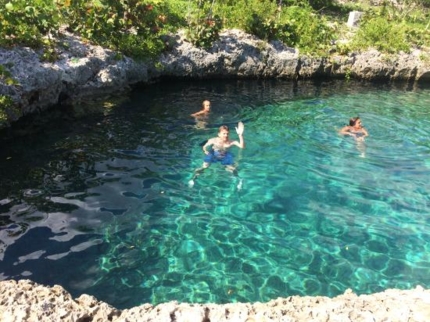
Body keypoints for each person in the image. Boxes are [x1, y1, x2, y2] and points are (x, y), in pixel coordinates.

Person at [189, 122, 245, 187]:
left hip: (225, 155)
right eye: (224, 133)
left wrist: (240, 135)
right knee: (205, 166)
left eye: (227, 133)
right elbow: (204, 146)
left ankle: (239, 180)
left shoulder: (231, 142)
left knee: (231, 169)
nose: (226, 135)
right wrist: (205, 151)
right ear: (219, 134)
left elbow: (242, 146)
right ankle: (193, 179)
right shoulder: (214, 140)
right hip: (213, 154)